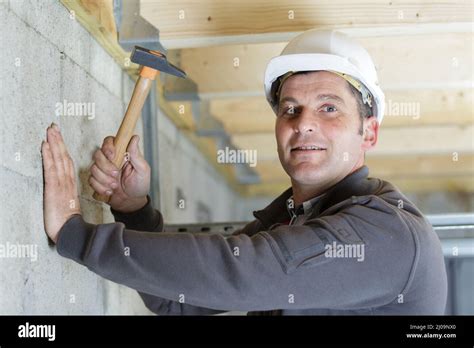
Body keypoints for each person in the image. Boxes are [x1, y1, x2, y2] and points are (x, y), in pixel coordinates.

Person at [41, 30, 447, 315]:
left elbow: (239, 271)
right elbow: (177, 301)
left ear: (369, 131)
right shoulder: (299, 215)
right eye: (291, 108)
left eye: (329, 108)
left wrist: (76, 235)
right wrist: (134, 209)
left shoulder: (389, 236)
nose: (303, 123)